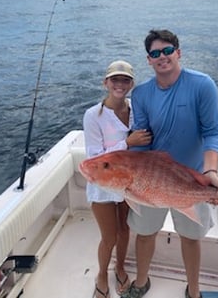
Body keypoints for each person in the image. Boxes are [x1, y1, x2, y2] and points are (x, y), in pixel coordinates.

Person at [122, 30, 218, 298]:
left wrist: (210, 170)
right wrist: (131, 177)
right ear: (149, 60)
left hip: (191, 178)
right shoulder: (142, 94)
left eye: (167, 50)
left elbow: (213, 132)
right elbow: (143, 141)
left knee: (191, 238)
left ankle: (194, 290)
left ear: (178, 52)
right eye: (155, 53)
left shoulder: (202, 85)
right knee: (144, 234)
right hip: (151, 179)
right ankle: (141, 282)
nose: (162, 57)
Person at [83, 60, 152, 298]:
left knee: (125, 231)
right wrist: (127, 143)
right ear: (106, 83)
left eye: (125, 80)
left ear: (131, 84)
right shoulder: (93, 115)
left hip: (127, 184)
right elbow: (93, 158)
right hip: (102, 186)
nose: (120, 84)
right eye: (115, 79)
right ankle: (102, 274)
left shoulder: (136, 109)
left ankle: (119, 266)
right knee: (109, 236)